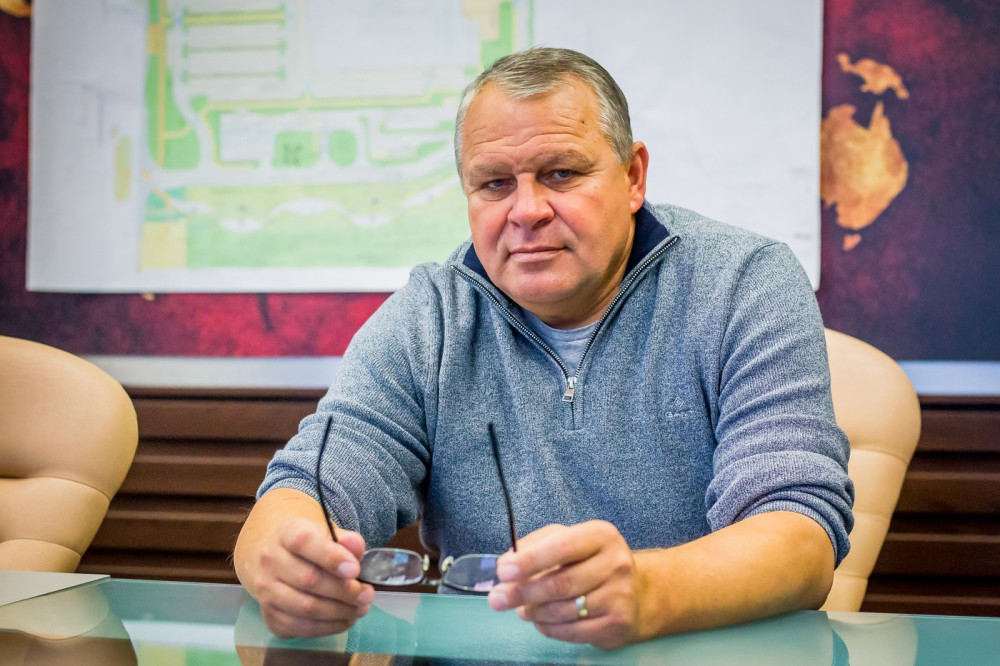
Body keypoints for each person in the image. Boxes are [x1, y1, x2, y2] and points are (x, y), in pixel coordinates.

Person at [234, 46, 853, 650]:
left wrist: (648, 592)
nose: (526, 211)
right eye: (494, 184)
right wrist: (286, 561)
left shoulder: (745, 283)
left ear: (633, 177)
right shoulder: (432, 314)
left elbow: (800, 536)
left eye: (561, 173)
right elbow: (308, 485)